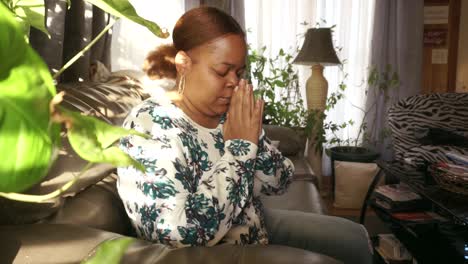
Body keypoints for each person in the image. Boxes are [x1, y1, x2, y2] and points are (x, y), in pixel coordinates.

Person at [117, 6, 373, 264]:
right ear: (183, 64)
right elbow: (181, 235)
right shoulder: (150, 125)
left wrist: (253, 141)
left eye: (238, 72)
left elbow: (281, 180)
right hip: (214, 253)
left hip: (252, 223)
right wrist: (239, 148)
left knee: (355, 238)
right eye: (221, 71)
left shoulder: (228, 112)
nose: (234, 82)